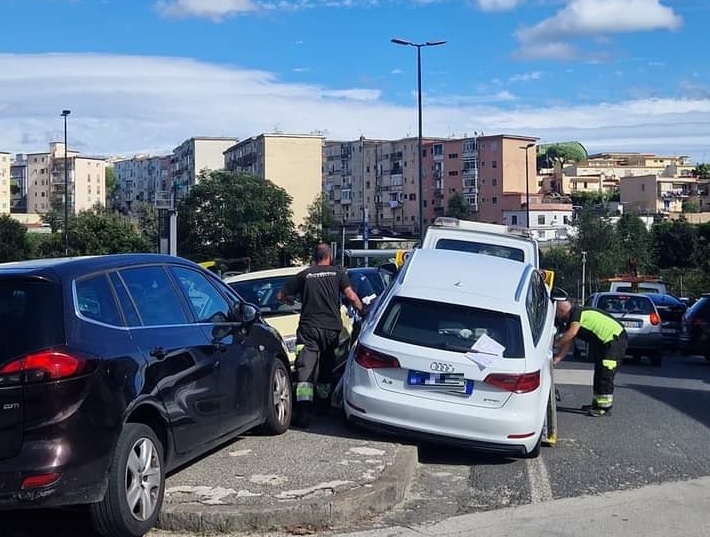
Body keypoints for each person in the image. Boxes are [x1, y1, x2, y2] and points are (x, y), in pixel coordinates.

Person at [277, 243, 367, 428]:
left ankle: (304, 412)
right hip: (331, 329)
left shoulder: (305, 275)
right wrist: (364, 312)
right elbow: (351, 297)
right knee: (326, 368)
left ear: (314, 257)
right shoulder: (338, 274)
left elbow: (280, 295)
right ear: (329, 256)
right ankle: (324, 406)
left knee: (305, 371)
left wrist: (289, 298)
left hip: (309, 329)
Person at [553, 299, 628, 417]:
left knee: (605, 374)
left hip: (614, 340)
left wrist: (554, 343)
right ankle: (597, 404)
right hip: (604, 343)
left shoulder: (576, 313)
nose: (556, 316)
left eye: (556, 312)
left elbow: (572, 333)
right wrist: (555, 359)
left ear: (561, 310)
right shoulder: (571, 319)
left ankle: (604, 408)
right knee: (599, 372)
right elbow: (567, 343)